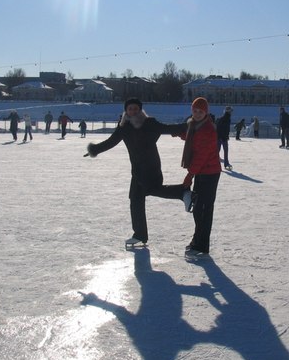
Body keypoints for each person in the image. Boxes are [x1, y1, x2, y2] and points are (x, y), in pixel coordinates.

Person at [86, 98, 188, 247]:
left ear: (140, 110)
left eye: (135, 108)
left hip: (151, 167)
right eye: (130, 109)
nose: (132, 111)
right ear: (126, 111)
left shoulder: (150, 123)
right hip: (138, 170)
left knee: (149, 191)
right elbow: (111, 141)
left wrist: (189, 124)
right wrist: (95, 149)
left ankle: (182, 192)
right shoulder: (124, 127)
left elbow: (169, 128)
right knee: (136, 198)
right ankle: (140, 233)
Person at [180, 97, 222, 256]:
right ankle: (199, 242)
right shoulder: (194, 125)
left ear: (206, 112)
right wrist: (179, 134)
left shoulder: (207, 129)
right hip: (203, 172)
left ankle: (200, 245)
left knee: (203, 209)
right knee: (199, 209)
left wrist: (189, 175)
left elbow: (201, 156)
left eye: (201, 111)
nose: (197, 114)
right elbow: (191, 137)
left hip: (209, 173)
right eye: (195, 110)